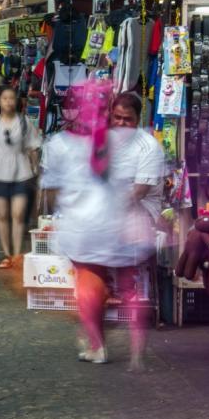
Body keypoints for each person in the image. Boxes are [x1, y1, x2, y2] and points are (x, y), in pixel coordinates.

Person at [40, 84, 162, 371]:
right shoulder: (102, 141)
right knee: (110, 284)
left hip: (120, 222)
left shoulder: (138, 145)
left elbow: (138, 191)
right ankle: (104, 344)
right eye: (116, 117)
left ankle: (109, 346)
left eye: (127, 119)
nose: (120, 124)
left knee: (106, 284)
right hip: (108, 223)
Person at [0, 86, 42, 269]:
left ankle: (16, 254)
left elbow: (33, 148)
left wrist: (36, 170)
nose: (8, 101)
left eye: (11, 98)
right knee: (1, 216)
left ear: (16, 101)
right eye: (5, 98)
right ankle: (7, 254)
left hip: (21, 173)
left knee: (18, 215)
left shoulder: (24, 123)